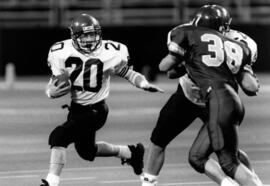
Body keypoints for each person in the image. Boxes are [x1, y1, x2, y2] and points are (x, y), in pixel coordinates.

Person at [141, 4, 262, 186]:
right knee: (161, 139)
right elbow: (250, 87)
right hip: (193, 96)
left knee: (224, 154)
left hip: (213, 100)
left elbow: (166, 70)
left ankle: (248, 180)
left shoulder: (190, 33)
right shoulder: (240, 42)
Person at [40, 13, 163, 186]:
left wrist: (143, 83)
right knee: (87, 152)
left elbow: (127, 72)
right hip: (77, 109)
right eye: (85, 35)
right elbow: (56, 82)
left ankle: (51, 181)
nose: (90, 39)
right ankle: (131, 152)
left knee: (58, 137)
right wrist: (50, 92)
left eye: (92, 34)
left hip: (96, 110)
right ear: (74, 36)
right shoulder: (60, 51)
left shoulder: (110, 51)